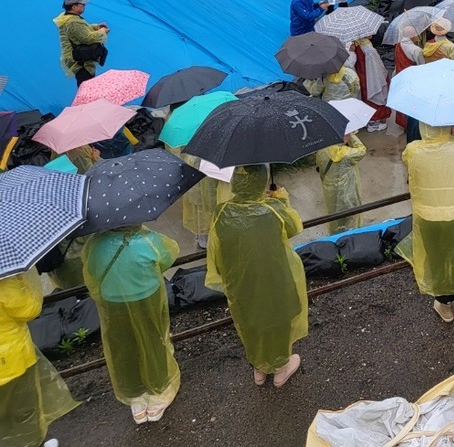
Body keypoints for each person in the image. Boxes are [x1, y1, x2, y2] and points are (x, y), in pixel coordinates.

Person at [205, 166, 307, 388]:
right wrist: (281, 199)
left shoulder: (221, 211)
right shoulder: (272, 209)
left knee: (251, 320)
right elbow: (294, 227)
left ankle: (260, 366)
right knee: (277, 316)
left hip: (241, 282)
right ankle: (281, 368)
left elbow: (216, 247)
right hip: (275, 277)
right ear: (261, 182)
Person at [82, 225, 181, 424]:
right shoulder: (149, 239)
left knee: (123, 347)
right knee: (153, 342)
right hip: (147, 298)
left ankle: (135, 397)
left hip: (112, 304)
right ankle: (157, 392)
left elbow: (91, 269)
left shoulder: (94, 244)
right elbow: (168, 257)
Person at [398, 125, 454, 322]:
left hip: (429, 216)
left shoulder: (414, 150)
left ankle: (444, 304)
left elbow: (406, 159)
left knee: (435, 257)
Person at [0, 267, 78, 445]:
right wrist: (20, 280)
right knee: (24, 409)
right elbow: (30, 309)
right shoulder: (5, 284)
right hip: (13, 361)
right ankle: (34, 443)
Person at [315, 133, 366, 234]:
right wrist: (351, 136)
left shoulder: (321, 151)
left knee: (335, 219)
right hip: (348, 192)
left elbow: (320, 169)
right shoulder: (347, 155)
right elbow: (362, 149)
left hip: (331, 191)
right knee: (351, 219)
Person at [53, 0, 108, 85]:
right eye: (82, 4)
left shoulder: (68, 18)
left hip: (77, 60)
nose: (84, 6)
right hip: (81, 62)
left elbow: (80, 31)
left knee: (87, 86)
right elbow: (87, 38)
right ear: (74, 7)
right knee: (87, 87)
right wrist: (102, 32)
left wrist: (96, 27)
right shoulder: (73, 21)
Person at [392, 24, 425, 141]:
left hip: (401, 77)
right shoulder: (416, 50)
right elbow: (422, 66)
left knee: (404, 102)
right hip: (413, 80)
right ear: (412, 36)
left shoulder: (398, 45)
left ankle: (404, 123)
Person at [349, 36, 390, 128]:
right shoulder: (368, 48)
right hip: (371, 75)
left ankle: (369, 119)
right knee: (375, 95)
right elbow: (377, 67)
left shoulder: (356, 45)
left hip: (361, 75)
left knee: (365, 96)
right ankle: (375, 121)